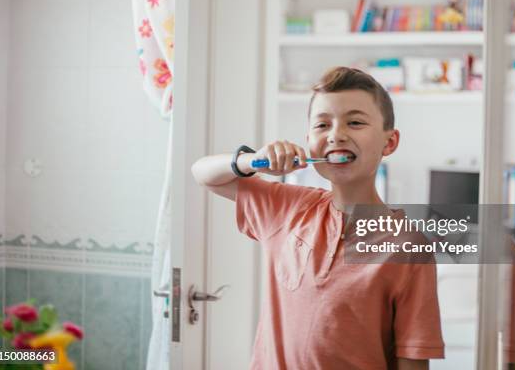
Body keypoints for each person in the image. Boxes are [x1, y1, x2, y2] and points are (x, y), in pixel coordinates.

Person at [191, 67, 445, 370]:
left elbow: (413, 361)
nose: (336, 134)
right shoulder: (286, 207)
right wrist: (252, 160)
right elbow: (203, 173)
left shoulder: (409, 247)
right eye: (323, 125)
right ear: (309, 141)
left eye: (355, 122)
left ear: (388, 143)